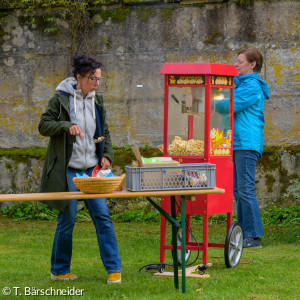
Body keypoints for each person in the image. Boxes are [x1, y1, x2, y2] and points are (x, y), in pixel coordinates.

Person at [38, 54, 122, 283]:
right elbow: (43, 125)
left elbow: (104, 131)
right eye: (92, 79)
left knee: (103, 217)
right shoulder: (60, 99)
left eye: (98, 79)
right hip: (70, 171)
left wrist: (106, 155)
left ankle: (114, 269)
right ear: (79, 77)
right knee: (68, 219)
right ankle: (60, 269)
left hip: (93, 171)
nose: (96, 83)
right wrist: (66, 125)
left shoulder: (98, 101)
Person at [233, 48, 269, 248]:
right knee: (238, 190)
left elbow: (231, 105)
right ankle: (244, 232)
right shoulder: (243, 84)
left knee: (245, 189)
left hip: (247, 142)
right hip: (239, 142)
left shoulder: (252, 86)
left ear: (252, 64)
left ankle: (253, 236)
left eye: (240, 61)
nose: (236, 65)